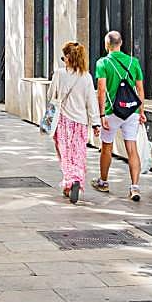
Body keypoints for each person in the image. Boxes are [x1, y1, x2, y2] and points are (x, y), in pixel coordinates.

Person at [92, 30, 146, 201]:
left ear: (106, 45)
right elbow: (140, 89)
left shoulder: (102, 63)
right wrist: (141, 111)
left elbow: (101, 90)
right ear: (121, 43)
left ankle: (104, 181)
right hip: (131, 111)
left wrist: (101, 115)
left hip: (112, 112)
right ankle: (135, 187)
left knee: (107, 146)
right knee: (132, 148)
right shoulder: (133, 61)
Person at [50, 41, 102, 204]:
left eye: (63, 57)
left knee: (65, 153)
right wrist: (96, 123)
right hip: (80, 122)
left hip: (63, 121)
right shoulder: (86, 77)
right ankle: (75, 179)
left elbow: (51, 95)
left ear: (67, 57)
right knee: (78, 153)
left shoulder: (59, 74)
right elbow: (91, 102)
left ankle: (70, 180)